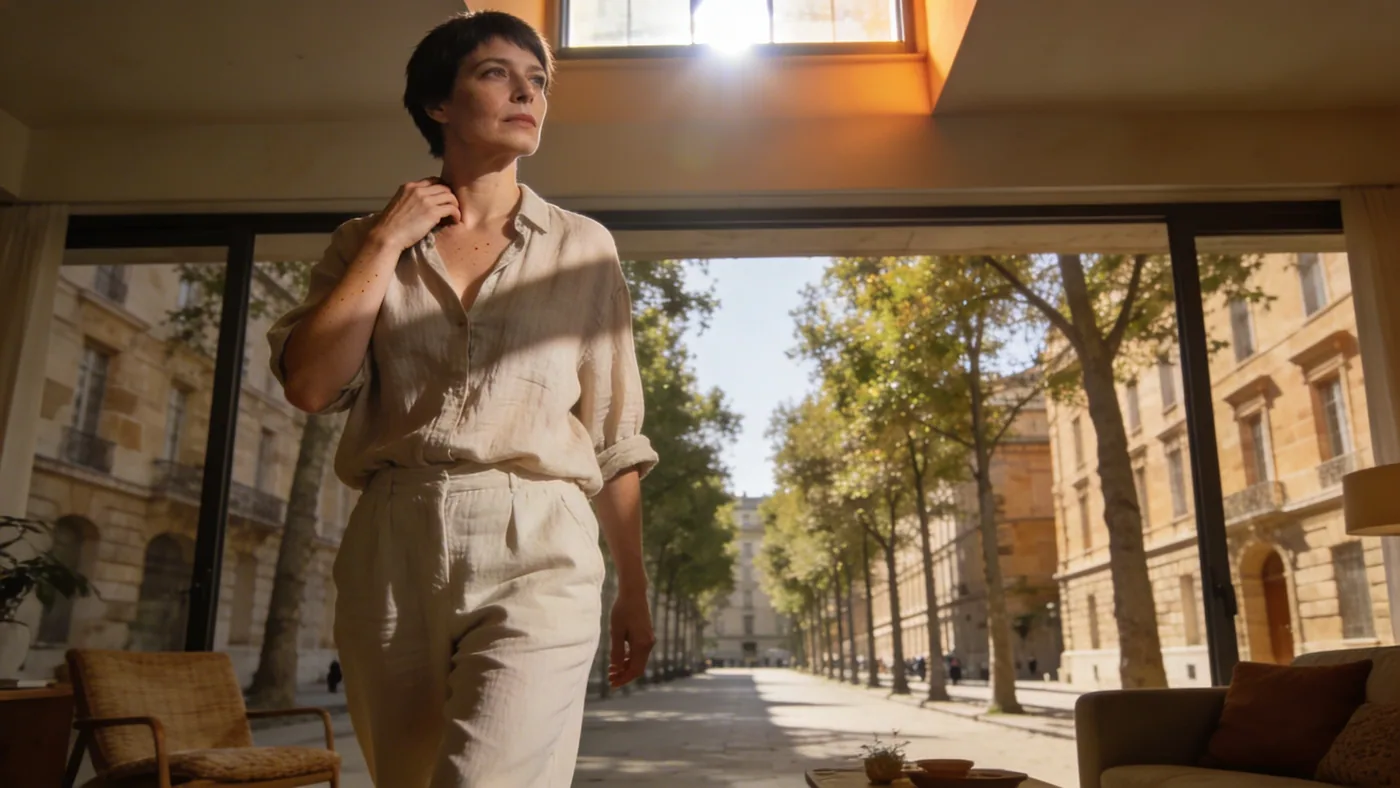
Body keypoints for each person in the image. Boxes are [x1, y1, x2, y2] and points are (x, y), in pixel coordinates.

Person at [267, 11, 658, 787]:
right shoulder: (362, 243)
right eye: (495, 74)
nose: (527, 93)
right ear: (438, 103)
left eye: (537, 81)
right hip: (389, 542)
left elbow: (614, 432)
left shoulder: (583, 246)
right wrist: (387, 240)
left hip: (538, 537)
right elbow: (311, 384)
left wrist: (634, 589)